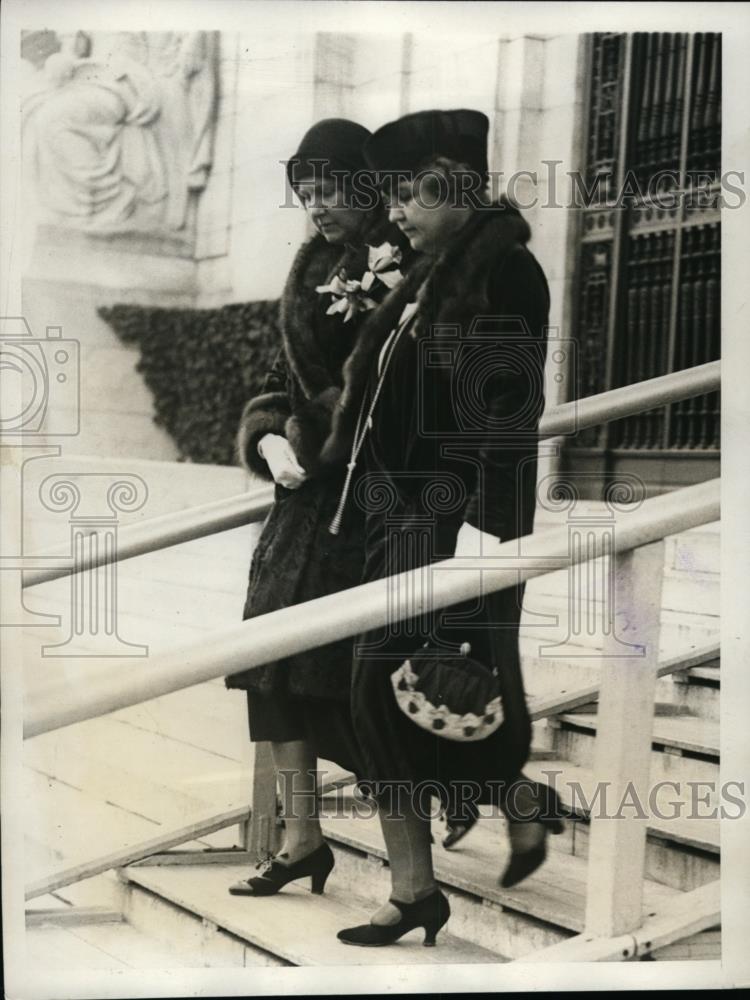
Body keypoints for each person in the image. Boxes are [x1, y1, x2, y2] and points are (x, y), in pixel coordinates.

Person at [320, 109, 564, 947]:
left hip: (452, 520)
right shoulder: (432, 272)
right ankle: (482, 831)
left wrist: (489, 538)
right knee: (387, 698)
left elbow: (506, 413)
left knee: (403, 689)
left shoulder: (505, 273)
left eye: (406, 192)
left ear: (453, 184)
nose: (394, 212)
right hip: (402, 518)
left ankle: (431, 875)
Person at [225, 118, 410, 897]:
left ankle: (434, 852)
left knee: (353, 687)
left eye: (331, 188)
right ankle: (303, 840)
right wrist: (268, 438)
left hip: (366, 506)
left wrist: (328, 431)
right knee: (273, 672)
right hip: (301, 509)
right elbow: (280, 376)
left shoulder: (404, 259)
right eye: (306, 191)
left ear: (366, 186)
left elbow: (403, 385)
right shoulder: (310, 266)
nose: (318, 205)